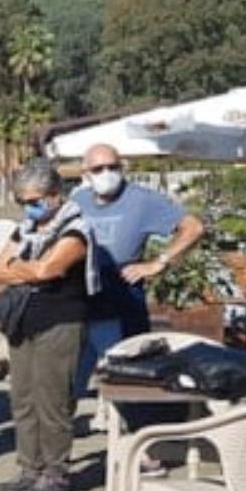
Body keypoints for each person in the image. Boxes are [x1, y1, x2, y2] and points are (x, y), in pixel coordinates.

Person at [70, 143, 205, 402]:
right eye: (99, 168)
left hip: (121, 288)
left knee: (127, 367)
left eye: (113, 167)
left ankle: (132, 429)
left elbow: (193, 227)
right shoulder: (78, 200)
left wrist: (159, 262)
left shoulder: (142, 199)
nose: (107, 173)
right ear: (86, 173)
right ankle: (60, 433)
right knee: (70, 369)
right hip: (80, 290)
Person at [0, 160, 92, 491]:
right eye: (23, 202)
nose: (29, 207)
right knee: (23, 397)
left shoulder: (76, 230)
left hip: (60, 322)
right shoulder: (26, 229)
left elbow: (48, 270)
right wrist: (24, 270)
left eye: (35, 200)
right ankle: (29, 467)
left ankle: (56, 471)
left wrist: (20, 270)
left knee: (53, 400)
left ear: (55, 196)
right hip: (24, 322)